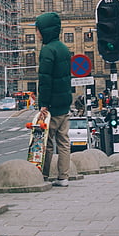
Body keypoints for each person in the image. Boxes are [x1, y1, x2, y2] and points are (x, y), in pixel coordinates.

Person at [35, 12, 72, 187]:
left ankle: (44, 175)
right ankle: (63, 177)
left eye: (38, 29)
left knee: (47, 142)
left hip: (52, 105)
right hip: (64, 102)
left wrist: (43, 104)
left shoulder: (47, 50)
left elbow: (45, 80)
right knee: (64, 142)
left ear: (45, 30)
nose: (37, 33)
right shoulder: (64, 48)